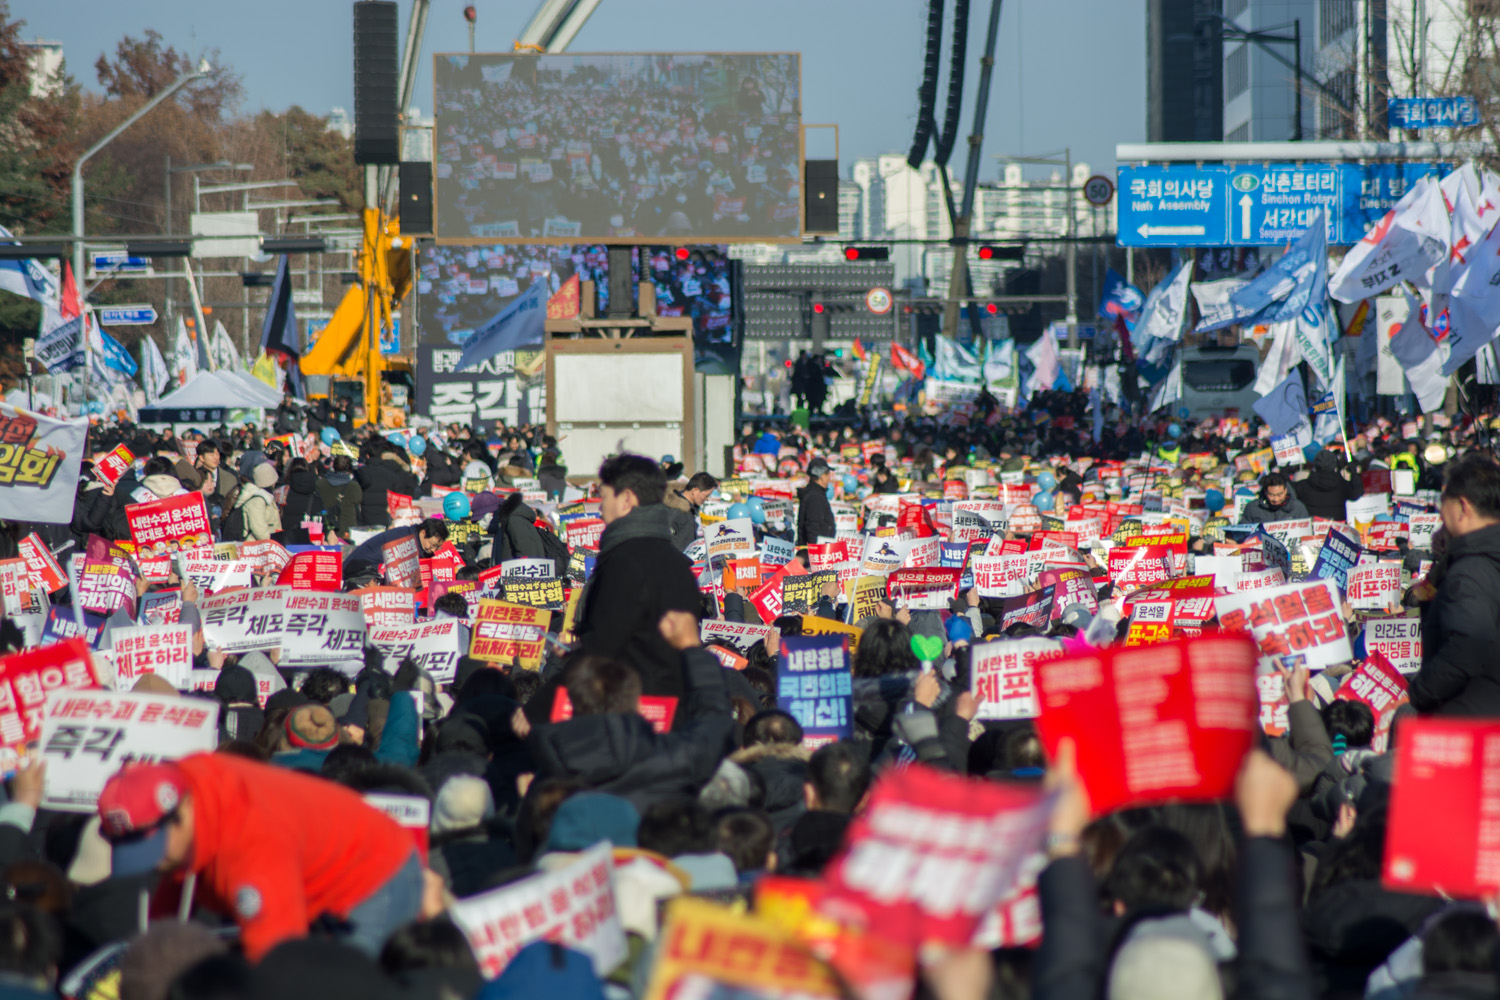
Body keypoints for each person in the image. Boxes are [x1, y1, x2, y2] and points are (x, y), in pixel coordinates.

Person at [96, 754, 423, 961]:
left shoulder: (251, 849)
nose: (154, 864)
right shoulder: (185, 792)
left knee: (345, 985)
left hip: (372, 875)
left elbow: (277, 962)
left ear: (182, 811)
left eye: (153, 848)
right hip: (306, 872)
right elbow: (167, 912)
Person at [572, 454, 701, 698]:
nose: (600, 508)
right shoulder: (676, 562)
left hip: (628, 711)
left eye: (605, 496)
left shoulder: (625, 561)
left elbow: (601, 651)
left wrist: (540, 705)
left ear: (626, 499)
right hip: (666, 710)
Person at [1409, 454, 1500, 715]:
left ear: (1463, 506)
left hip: (1470, 722)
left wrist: (1418, 693)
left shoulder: (1470, 572)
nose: (1440, 511)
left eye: (1442, 502)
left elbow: (1468, 644)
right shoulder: (1479, 557)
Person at [343, 517, 450, 587]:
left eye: (437, 547)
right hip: (360, 573)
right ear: (423, 533)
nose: (434, 550)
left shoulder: (413, 537)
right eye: (433, 545)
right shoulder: (405, 541)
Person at [1294, 449, 1364, 520]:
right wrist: (1354, 474)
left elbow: (1287, 490)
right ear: (1335, 465)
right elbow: (1357, 493)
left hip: (1313, 527)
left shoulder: (1303, 486)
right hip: (1337, 527)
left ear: (1315, 465)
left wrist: (1285, 473)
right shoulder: (1343, 485)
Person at [663, 471, 718, 551]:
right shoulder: (678, 510)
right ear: (695, 491)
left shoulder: (690, 509)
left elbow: (689, 538)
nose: (707, 499)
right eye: (706, 496)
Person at [316, 454, 364, 542]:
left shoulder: (320, 483)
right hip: (348, 528)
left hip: (326, 527)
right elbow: (358, 500)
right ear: (350, 469)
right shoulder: (354, 486)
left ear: (334, 466)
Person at [1240, 471, 1310, 524]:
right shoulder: (1252, 508)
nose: (1276, 499)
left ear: (1286, 491)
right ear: (1265, 492)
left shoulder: (1297, 508)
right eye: (1272, 495)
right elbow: (1242, 533)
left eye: (1280, 494)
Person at [796, 459, 837, 548]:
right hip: (816, 552)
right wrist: (816, 552)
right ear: (822, 476)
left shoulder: (814, 494)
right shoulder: (815, 497)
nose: (830, 477)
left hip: (818, 550)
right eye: (828, 473)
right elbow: (813, 528)